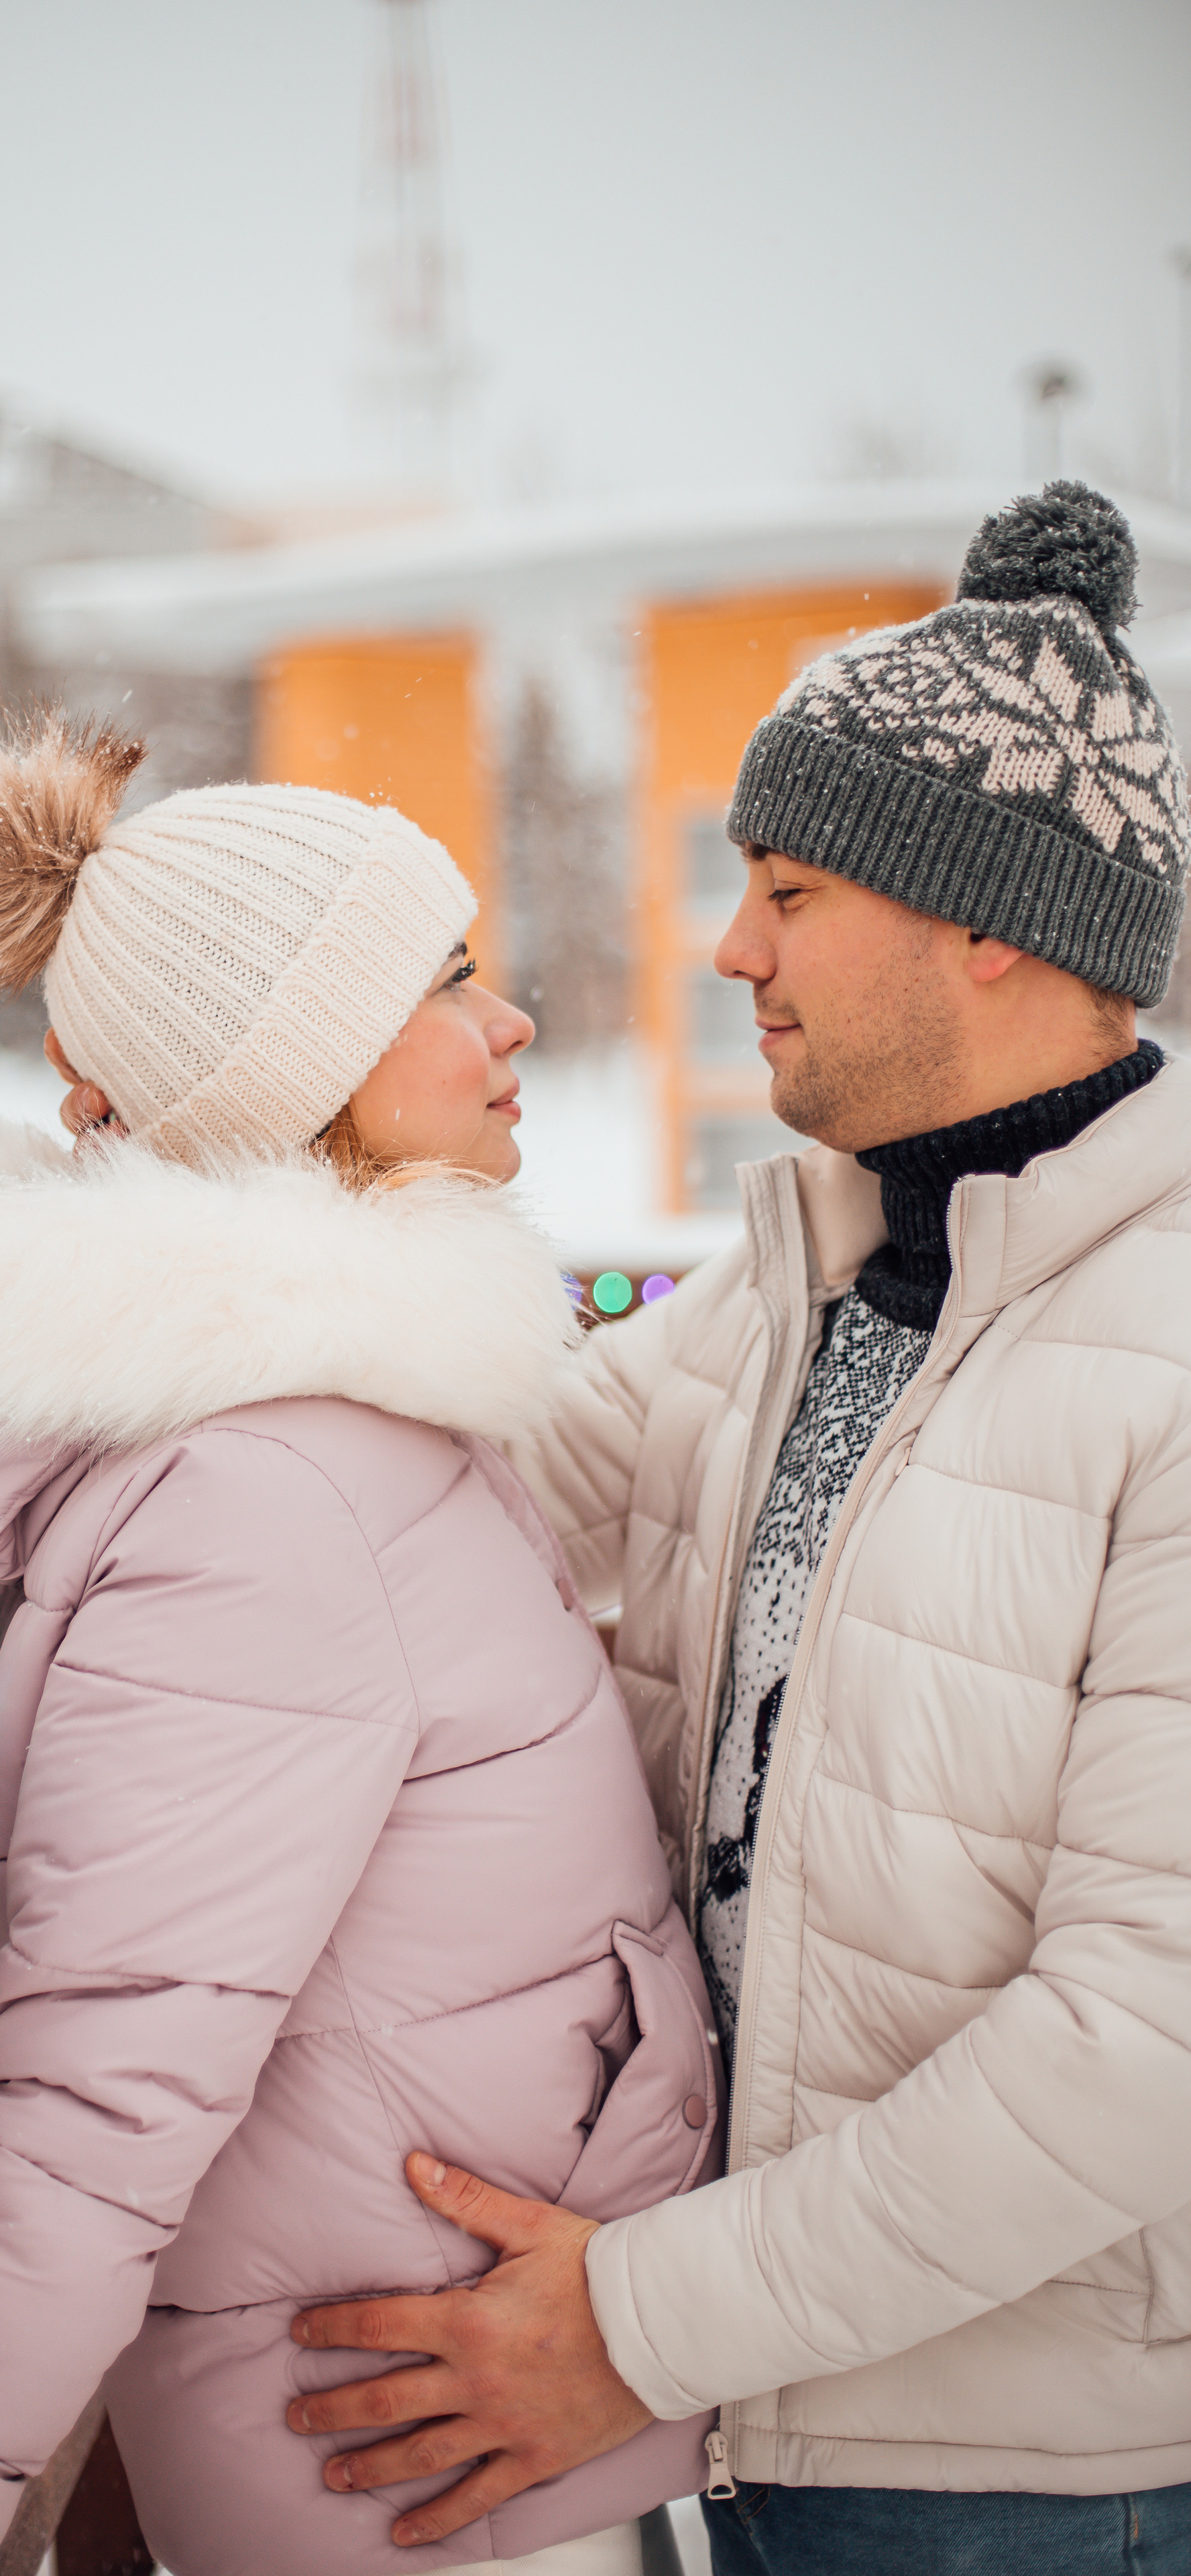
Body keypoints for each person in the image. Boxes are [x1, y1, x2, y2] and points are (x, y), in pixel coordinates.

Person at [281, 483, 1191, 2575]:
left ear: (991, 923)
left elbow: (1145, 2034)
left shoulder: (1166, 1350)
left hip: (1034, 2487)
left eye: (788, 891)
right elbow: (440, 1507)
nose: (730, 951)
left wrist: (632, 2321)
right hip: (765, 2420)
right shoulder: (809, 1272)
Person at [0, 720, 724, 2576]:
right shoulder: (276, 1499)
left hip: (482, 2432)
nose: (510, 1022)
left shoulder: (349, 1419)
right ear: (305, 1077)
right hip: (408, 2480)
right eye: (446, 983)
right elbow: (84, 2108)